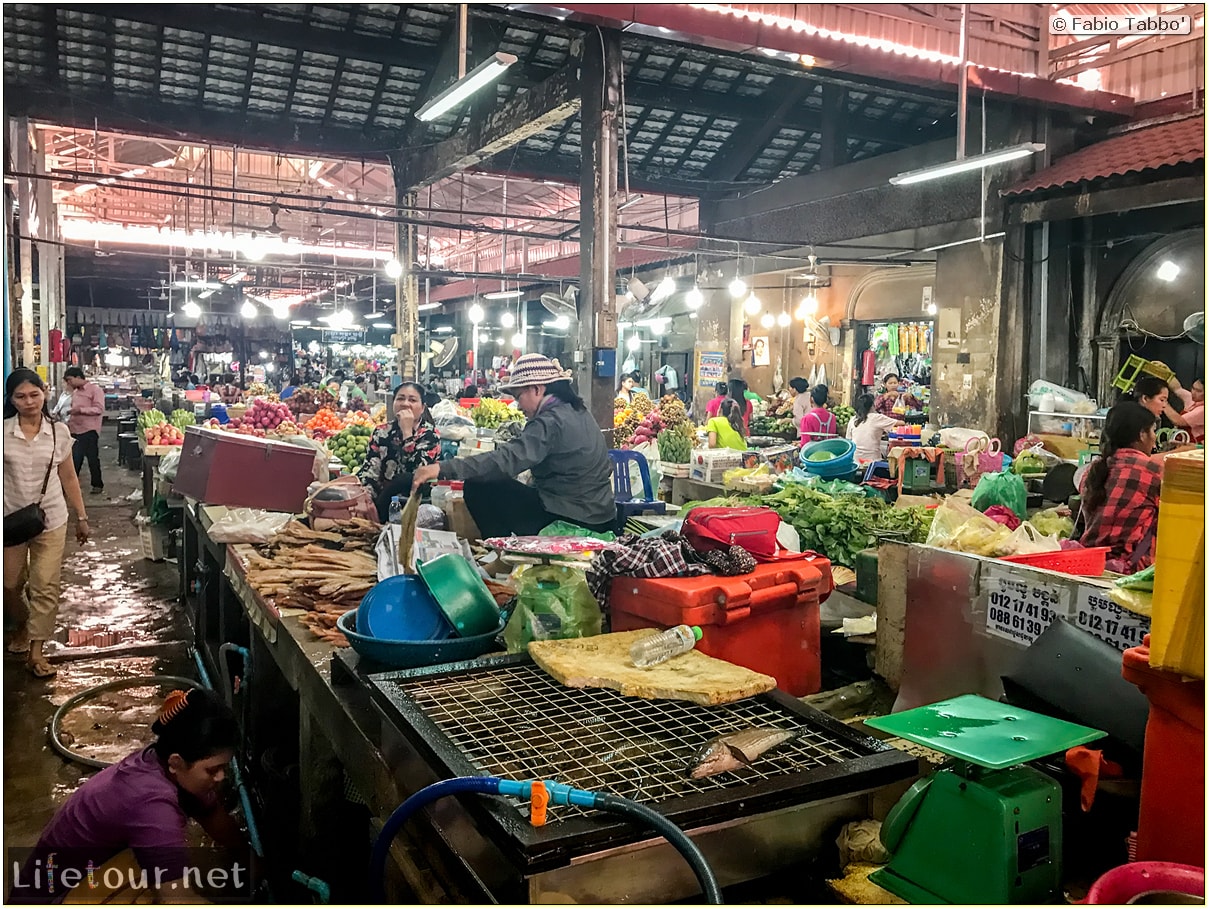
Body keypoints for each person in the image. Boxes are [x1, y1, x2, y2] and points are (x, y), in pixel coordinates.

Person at [10, 687, 250, 904]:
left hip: (66, 877)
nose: (220, 777)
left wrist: (250, 859)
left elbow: (211, 813)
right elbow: (177, 899)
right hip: (54, 898)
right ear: (176, 761)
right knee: (160, 877)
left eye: (224, 768)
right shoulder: (152, 805)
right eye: (212, 770)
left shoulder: (160, 763)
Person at [411, 354, 616, 537]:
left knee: (479, 486)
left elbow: (506, 461)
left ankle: (501, 554)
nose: (518, 406)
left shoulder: (549, 421)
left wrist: (443, 468)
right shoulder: (579, 412)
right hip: (602, 516)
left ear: (537, 389)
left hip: (572, 518)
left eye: (518, 397)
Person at [3, 369, 90, 678]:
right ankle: (22, 623)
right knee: (9, 584)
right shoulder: (3, 432)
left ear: (44, 392)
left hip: (50, 518)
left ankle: (37, 651)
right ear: (11, 400)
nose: (29, 402)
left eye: (34, 394)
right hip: (10, 521)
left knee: (45, 585)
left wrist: (81, 516)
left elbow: (68, 476)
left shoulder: (58, 432)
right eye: (20, 396)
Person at [1077, 402, 1161, 571]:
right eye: (1153, 431)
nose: (1154, 439)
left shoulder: (1093, 470)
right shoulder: (1154, 472)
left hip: (1088, 563)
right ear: (1142, 435)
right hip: (1132, 571)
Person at [358, 383, 443, 522]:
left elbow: (416, 474)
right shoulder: (382, 432)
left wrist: (407, 433)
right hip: (383, 501)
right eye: (400, 399)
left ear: (422, 408)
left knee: (403, 480)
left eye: (412, 400)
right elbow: (370, 469)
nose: (405, 404)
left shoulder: (430, 435)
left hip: (416, 503)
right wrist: (366, 499)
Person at [63, 366, 105, 495]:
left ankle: (96, 484)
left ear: (78, 377)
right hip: (74, 429)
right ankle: (71, 486)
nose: (69, 383)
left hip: (89, 430)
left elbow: (99, 409)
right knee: (76, 458)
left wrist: (80, 410)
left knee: (89, 458)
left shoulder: (95, 390)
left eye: (70, 380)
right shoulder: (75, 392)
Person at [847, 393, 902, 462]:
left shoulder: (852, 419)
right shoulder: (876, 417)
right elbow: (901, 423)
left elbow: (849, 440)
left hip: (855, 460)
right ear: (872, 406)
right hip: (873, 460)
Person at [1164, 375, 1205, 444]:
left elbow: (1178, 421)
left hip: (1194, 446)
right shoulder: (1192, 399)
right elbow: (1177, 388)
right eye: (1193, 388)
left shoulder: (1203, 410)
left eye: (1198, 391)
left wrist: (1162, 402)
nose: (1193, 392)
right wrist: (1165, 373)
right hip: (1182, 440)